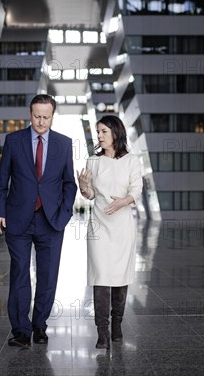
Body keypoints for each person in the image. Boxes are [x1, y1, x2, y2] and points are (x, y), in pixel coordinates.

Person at [0, 94, 77, 348]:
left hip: (51, 222)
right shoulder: (13, 141)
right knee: (19, 274)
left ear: (53, 115)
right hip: (18, 220)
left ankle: (40, 325)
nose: (41, 121)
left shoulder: (63, 144)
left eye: (46, 117)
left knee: (48, 276)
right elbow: (1, 181)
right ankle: (20, 330)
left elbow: (69, 183)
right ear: (30, 114)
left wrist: (64, 214)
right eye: (37, 116)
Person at [76, 115, 143, 349]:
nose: (99, 136)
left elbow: (137, 188)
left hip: (123, 226)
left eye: (104, 131)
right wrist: (84, 186)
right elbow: (90, 194)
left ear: (116, 132)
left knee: (120, 278)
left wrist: (123, 201)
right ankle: (102, 332)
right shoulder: (93, 161)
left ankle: (117, 325)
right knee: (101, 278)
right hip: (99, 225)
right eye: (98, 132)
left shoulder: (132, 160)